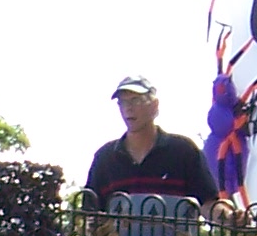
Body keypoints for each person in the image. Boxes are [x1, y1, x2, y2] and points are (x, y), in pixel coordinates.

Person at [85, 77, 220, 212]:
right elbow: (90, 213)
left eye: (136, 100)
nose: (128, 108)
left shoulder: (184, 151)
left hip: (175, 233)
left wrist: (229, 217)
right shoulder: (105, 158)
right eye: (122, 102)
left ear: (154, 106)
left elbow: (208, 203)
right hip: (118, 234)